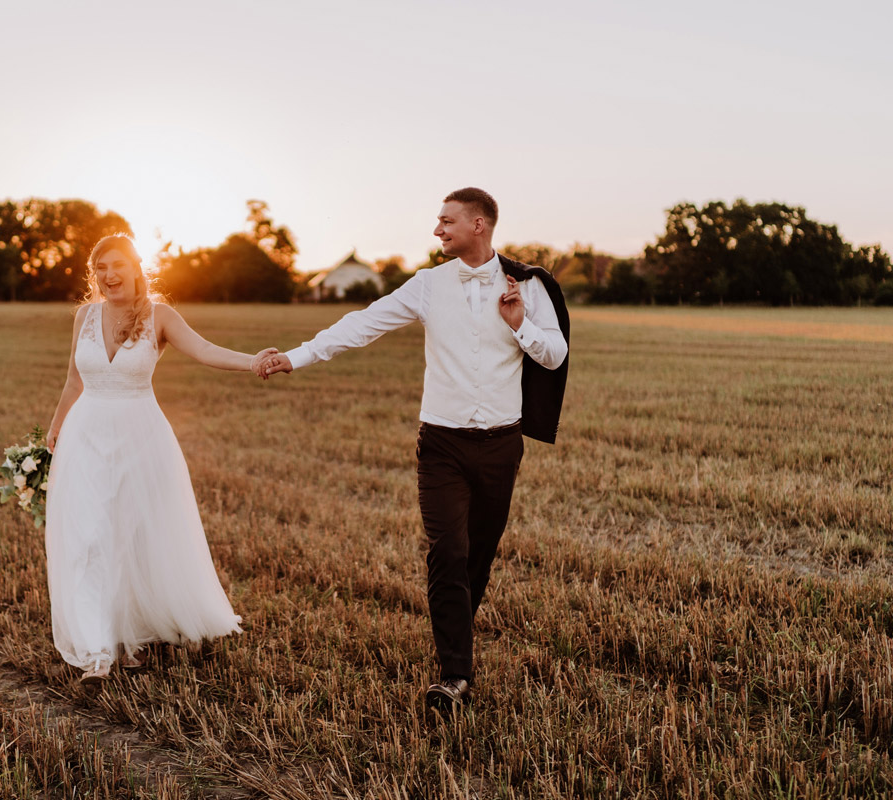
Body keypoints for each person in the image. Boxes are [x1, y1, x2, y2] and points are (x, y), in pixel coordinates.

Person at [260, 188, 570, 712]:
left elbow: (555, 356)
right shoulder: (427, 285)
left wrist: (520, 325)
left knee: (479, 554)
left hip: (501, 444)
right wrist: (298, 356)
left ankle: (455, 640)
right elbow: (362, 324)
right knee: (446, 551)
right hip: (442, 443)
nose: (436, 231)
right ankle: (455, 675)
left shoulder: (529, 285)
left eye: (446, 222)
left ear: (479, 224)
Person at [44, 233, 274, 683]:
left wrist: (252, 362)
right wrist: (55, 427)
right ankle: (97, 650)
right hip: (85, 435)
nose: (110, 276)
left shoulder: (159, 316)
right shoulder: (85, 317)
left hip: (140, 438)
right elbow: (74, 379)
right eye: (101, 269)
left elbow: (204, 350)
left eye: (118, 266)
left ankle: (131, 637)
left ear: (136, 267)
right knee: (88, 537)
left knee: (130, 538)